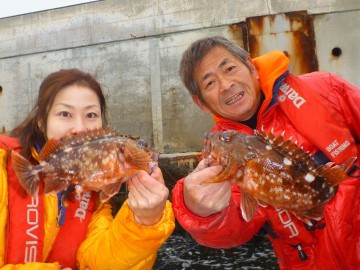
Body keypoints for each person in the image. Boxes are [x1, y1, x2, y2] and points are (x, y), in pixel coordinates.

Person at [171, 36, 360, 269]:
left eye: (229, 68)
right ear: (201, 103)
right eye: (210, 83)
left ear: (252, 67)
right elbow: (235, 228)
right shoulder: (214, 162)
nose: (226, 84)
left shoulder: (325, 89)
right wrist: (201, 211)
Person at [0, 68, 175, 269]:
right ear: (41, 121)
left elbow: (104, 261)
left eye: (91, 114)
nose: (80, 128)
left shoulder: (95, 196)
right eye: (65, 114)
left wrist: (145, 220)